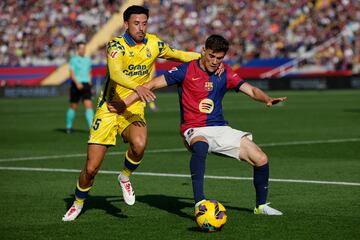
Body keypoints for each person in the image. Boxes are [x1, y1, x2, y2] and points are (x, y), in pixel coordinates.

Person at [62, 5, 223, 221]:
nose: (141, 28)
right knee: (91, 169)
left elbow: (178, 54)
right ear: (126, 24)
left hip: (133, 107)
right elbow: (116, 73)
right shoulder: (116, 45)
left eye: (144, 23)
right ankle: (78, 202)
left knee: (139, 144)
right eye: (136, 23)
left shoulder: (154, 43)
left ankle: (125, 177)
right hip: (109, 107)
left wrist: (206, 60)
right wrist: (137, 86)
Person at [109, 34, 287, 215]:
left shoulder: (224, 71)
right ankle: (199, 202)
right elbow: (152, 84)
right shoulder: (185, 70)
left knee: (261, 158)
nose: (215, 61)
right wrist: (124, 103)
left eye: (219, 58)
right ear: (203, 51)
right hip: (193, 129)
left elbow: (251, 89)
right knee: (201, 146)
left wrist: (267, 99)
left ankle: (261, 206)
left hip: (220, 128)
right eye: (211, 56)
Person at [65, 42, 94, 133]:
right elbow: (72, 73)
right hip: (76, 84)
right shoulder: (73, 60)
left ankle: (92, 128)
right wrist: (77, 83)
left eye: (84, 48)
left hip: (85, 85)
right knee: (73, 106)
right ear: (77, 49)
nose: (83, 50)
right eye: (81, 48)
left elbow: (89, 71)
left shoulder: (88, 59)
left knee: (89, 105)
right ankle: (68, 127)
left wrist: (89, 81)